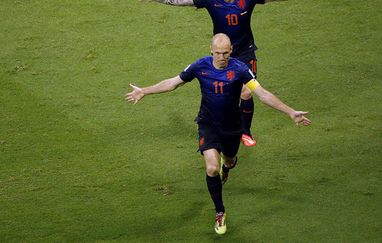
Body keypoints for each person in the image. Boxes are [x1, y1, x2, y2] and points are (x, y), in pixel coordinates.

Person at [125, 33, 311, 235]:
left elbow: (263, 94)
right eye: (218, 53)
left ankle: (228, 165)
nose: (222, 57)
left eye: (226, 53)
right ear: (211, 50)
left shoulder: (239, 69)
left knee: (229, 161)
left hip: (232, 127)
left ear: (231, 51)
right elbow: (173, 83)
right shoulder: (200, 66)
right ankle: (220, 211)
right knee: (212, 168)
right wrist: (144, 90)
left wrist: (290, 112)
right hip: (208, 125)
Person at [153, 0, 276, 147]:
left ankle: (245, 132)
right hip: (221, 55)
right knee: (224, 92)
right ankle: (216, 122)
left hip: (245, 53)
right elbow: (182, 1)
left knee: (246, 93)